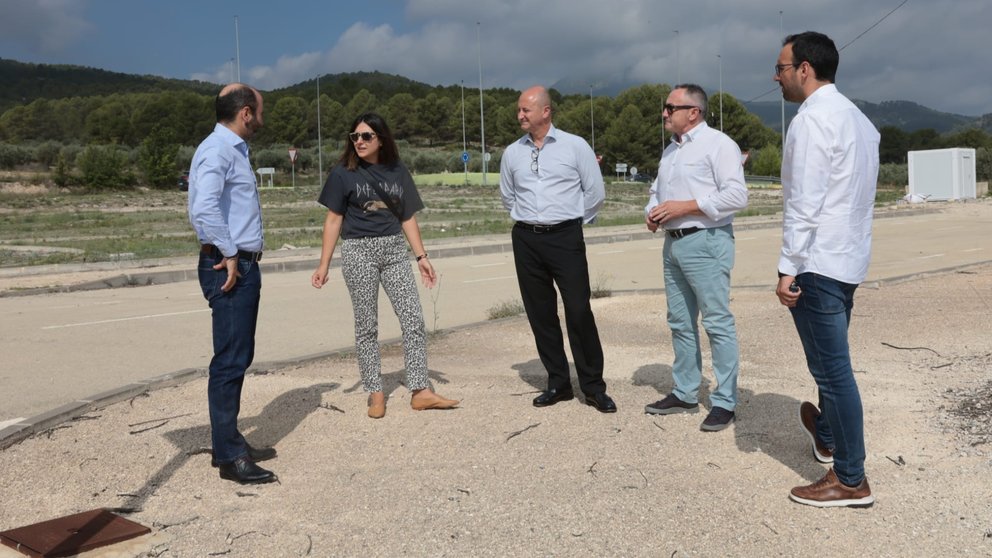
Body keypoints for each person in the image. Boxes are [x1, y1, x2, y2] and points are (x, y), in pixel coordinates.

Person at [774, 31, 880, 508]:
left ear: (804, 69)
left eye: (780, 68)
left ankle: (851, 479)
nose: (776, 77)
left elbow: (804, 202)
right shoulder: (860, 121)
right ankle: (829, 437)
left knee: (834, 372)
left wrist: (787, 267)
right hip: (848, 258)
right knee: (832, 362)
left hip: (817, 262)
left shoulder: (811, 120)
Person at [311, 112, 458, 419]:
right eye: (355, 137)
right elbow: (333, 219)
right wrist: (323, 264)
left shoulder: (397, 171)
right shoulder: (343, 173)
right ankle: (375, 393)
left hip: (393, 250)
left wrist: (421, 257)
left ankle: (421, 391)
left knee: (413, 319)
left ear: (381, 139)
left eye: (366, 136)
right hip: (357, 252)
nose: (360, 142)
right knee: (367, 326)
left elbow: (407, 216)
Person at [499, 85, 616, 413]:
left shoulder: (574, 146)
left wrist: (572, 221)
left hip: (565, 237)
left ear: (546, 111)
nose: (520, 115)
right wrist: (530, 220)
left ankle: (593, 386)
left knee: (578, 310)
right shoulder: (512, 153)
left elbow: (595, 192)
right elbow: (508, 196)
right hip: (525, 239)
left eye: (526, 110)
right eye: (519, 110)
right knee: (540, 313)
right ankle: (558, 383)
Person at [643, 84, 749, 432]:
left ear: (693, 111)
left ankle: (724, 402)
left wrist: (685, 207)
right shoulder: (670, 152)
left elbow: (736, 195)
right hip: (673, 244)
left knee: (716, 323)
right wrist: (653, 211)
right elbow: (657, 192)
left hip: (706, 241)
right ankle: (686, 391)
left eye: (669, 107)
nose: (664, 113)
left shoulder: (719, 145)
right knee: (679, 321)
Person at [188, 83, 277, 484]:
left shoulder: (230, 149)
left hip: (238, 263)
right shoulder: (219, 149)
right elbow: (202, 206)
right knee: (228, 362)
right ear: (245, 112)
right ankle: (229, 457)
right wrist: (227, 253)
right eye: (260, 110)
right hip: (230, 266)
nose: (263, 118)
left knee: (236, 357)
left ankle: (229, 441)